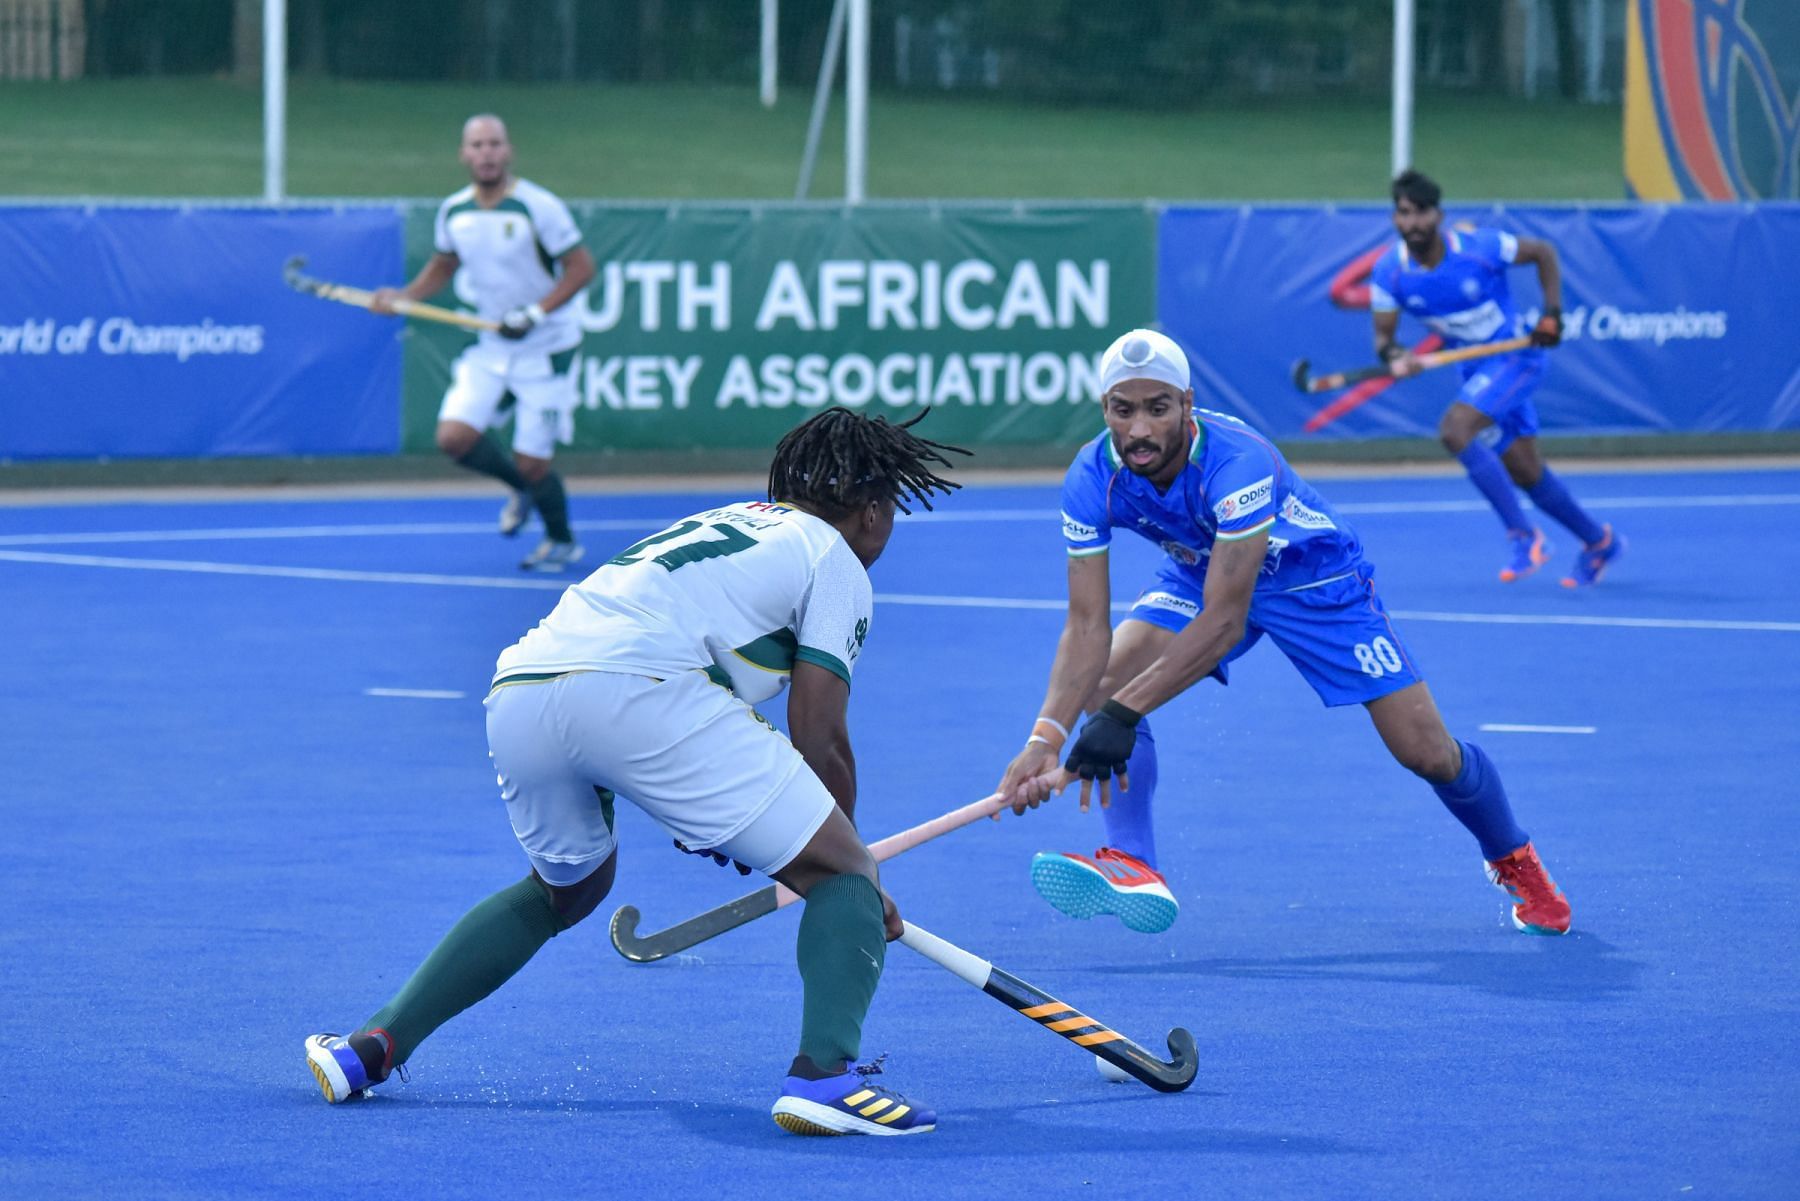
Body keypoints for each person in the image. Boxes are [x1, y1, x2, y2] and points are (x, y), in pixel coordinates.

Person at [305, 407, 968, 1137]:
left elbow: (675, 681)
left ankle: (372, 1045)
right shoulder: (834, 558)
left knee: (569, 887)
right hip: (641, 692)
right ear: (873, 510)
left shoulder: (737, 520)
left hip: (523, 686)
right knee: (842, 874)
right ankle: (828, 1078)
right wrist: (847, 861)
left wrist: (723, 811)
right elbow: (820, 729)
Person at [996, 328, 1572, 940]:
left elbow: (1225, 622)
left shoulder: (1239, 459)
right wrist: (1046, 736)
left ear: (1187, 403)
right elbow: (1087, 625)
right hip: (1201, 565)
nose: (1139, 430)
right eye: (1122, 409)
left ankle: (1515, 858)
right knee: (1111, 674)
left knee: (1425, 751)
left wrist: (1121, 714)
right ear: (1105, 408)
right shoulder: (1091, 475)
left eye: (1157, 408)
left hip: (1314, 580)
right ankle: (1133, 862)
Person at [1372, 169, 1623, 588]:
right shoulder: (1390, 273)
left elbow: (1543, 252)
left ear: (1438, 215)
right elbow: (1384, 338)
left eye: (1419, 214)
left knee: (1455, 430)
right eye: (1402, 214)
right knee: (1525, 471)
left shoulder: (1479, 247)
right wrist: (1398, 357)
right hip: (1475, 369)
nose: (1410, 223)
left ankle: (1525, 536)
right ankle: (1599, 542)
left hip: (1516, 356)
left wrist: (1552, 314)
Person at [373, 114, 597, 573]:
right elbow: (443, 265)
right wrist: (403, 298)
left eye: (494, 144)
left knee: (535, 463)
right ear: (464, 154)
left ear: (508, 151)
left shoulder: (538, 207)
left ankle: (561, 540)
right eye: (477, 145)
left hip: (545, 348)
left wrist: (534, 314)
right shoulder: (455, 211)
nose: (486, 153)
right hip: (492, 346)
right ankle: (522, 490)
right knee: (453, 438)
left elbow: (581, 269)